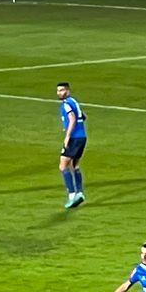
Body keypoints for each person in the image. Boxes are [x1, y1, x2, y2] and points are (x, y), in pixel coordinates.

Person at [57, 80, 88, 209]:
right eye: (58, 90)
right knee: (74, 165)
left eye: (62, 90)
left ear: (68, 91)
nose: (59, 93)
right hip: (82, 137)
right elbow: (83, 116)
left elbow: (72, 119)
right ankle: (80, 193)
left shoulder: (66, 105)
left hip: (74, 138)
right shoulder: (74, 102)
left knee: (63, 166)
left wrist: (67, 137)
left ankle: (72, 195)